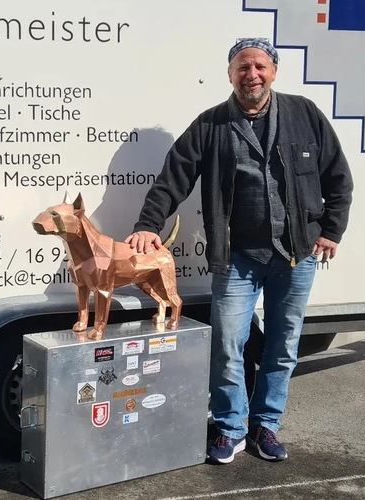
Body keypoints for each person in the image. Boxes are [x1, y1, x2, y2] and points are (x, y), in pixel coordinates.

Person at [125, 38, 353, 464]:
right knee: (228, 343)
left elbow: (338, 177)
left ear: (274, 71)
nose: (252, 74)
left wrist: (331, 231)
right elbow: (173, 178)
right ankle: (231, 429)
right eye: (243, 67)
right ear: (230, 74)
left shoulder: (305, 114)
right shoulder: (210, 125)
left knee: (283, 346)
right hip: (237, 258)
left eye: (260, 66)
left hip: (296, 255)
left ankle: (265, 425)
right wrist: (146, 227)